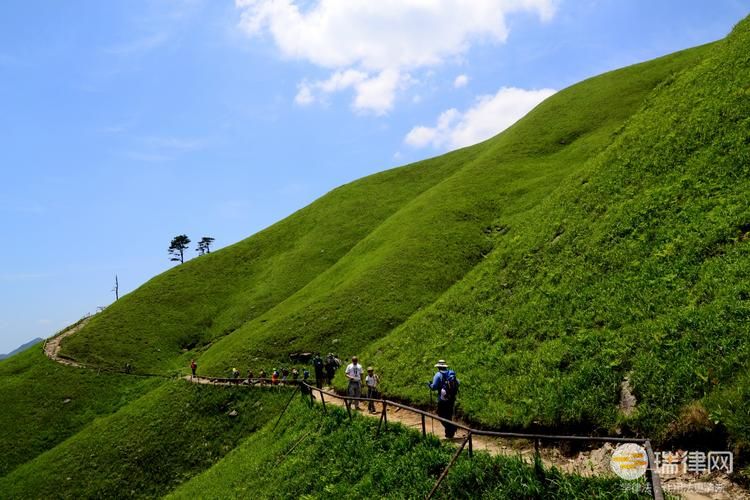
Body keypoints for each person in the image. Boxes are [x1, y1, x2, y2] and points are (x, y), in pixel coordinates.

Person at [427, 360, 460, 438]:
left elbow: (433, 387)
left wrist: (429, 385)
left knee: (441, 415)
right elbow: (458, 383)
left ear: (438, 367)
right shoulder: (451, 374)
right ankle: (449, 434)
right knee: (448, 416)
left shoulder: (438, 375)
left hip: (442, 400)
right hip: (451, 399)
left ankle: (452, 428)